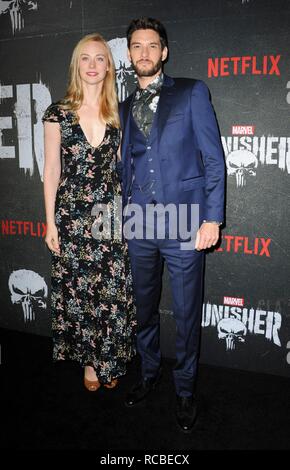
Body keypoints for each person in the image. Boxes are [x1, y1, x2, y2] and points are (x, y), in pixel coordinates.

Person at [119, 18, 225, 432]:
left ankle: (184, 391)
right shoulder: (125, 106)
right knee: (144, 310)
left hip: (185, 224)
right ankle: (148, 374)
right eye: (136, 46)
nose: (144, 52)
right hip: (138, 224)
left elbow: (214, 161)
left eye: (152, 46)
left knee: (184, 315)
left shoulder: (192, 92)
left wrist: (212, 217)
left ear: (164, 52)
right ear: (129, 54)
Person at [42, 33, 136, 392]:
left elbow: (121, 167)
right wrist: (50, 222)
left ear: (109, 65)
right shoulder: (58, 112)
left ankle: (109, 358)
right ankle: (90, 364)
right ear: (76, 65)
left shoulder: (118, 113)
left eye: (100, 58)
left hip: (110, 215)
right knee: (79, 290)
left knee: (110, 290)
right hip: (71, 215)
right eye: (86, 58)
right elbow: (51, 170)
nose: (93, 64)